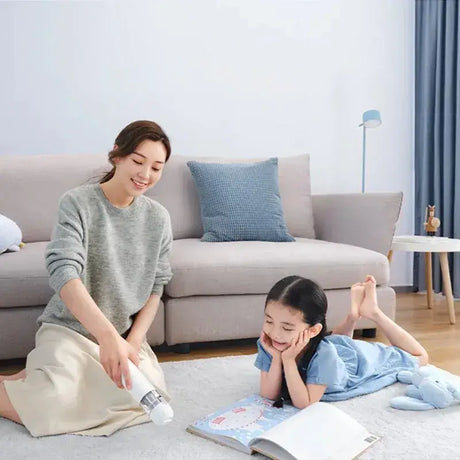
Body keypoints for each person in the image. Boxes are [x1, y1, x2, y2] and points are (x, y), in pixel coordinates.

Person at [0, 120, 173, 436]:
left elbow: (157, 285)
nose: (146, 175)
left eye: (156, 168)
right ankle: (30, 382)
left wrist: (131, 343)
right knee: (52, 401)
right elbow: (64, 273)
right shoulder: (77, 202)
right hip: (71, 329)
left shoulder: (158, 218)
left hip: (122, 337)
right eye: (138, 161)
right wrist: (106, 338)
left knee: (147, 398)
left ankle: (34, 376)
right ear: (117, 155)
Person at [255, 275, 429, 409]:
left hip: (354, 360)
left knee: (420, 357)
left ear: (313, 330)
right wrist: (277, 358)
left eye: (286, 328)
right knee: (338, 340)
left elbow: (305, 403)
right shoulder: (271, 343)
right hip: (331, 346)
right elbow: (268, 394)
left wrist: (288, 360)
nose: (275, 334)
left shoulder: (324, 354)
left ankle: (374, 312)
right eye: (269, 321)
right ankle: (353, 316)